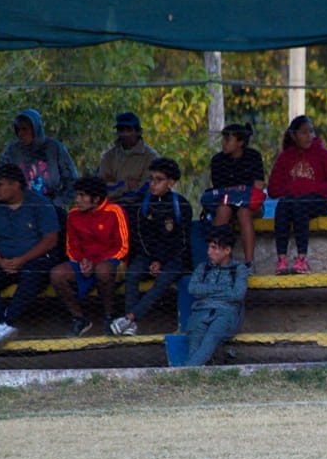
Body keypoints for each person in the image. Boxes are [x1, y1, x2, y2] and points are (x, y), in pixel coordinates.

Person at [110, 157, 193, 336]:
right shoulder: (142, 205)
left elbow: (181, 241)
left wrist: (161, 261)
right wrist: (153, 260)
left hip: (174, 258)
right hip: (148, 255)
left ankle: (129, 318)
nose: (153, 184)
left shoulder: (182, 205)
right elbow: (141, 237)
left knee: (164, 280)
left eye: (159, 180)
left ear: (171, 182)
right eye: (151, 179)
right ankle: (130, 326)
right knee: (133, 273)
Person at [267, 115, 327, 275]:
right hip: (293, 200)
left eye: (311, 132)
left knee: (300, 205)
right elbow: (273, 190)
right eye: (304, 132)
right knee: (283, 205)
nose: (309, 136)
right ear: (293, 135)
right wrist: (293, 189)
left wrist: (312, 188)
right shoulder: (285, 157)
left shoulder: (323, 155)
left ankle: (302, 259)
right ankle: (282, 259)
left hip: (319, 200)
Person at [49, 175, 130, 336]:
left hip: (111, 260)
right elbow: (71, 246)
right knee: (57, 274)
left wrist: (96, 262)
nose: (77, 200)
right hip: (84, 262)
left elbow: (123, 247)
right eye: (77, 195)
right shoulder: (73, 214)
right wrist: (82, 262)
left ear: (96, 199)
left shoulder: (115, 211)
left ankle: (109, 316)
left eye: (82, 196)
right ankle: (79, 318)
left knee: (103, 270)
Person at [0, 163, 61, 346]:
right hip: (3, 261)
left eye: (0, 184)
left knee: (32, 274)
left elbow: (50, 240)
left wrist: (22, 260)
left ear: (16, 184)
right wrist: (0, 261)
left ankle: (8, 322)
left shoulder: (40, 203)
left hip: (35, 259)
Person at [184, 224, 249, 366]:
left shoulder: (239, 269)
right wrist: (223, 289)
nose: (208, 252)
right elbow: (193, 289)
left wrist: (207, 292)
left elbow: (238, 294)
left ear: (227, 250)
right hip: (201, 312)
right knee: (194, 343)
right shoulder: (203, 267)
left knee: (210, 339)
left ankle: (185, 372)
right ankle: (191, 372)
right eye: (209, 247)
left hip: (226, 313)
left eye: (214, 248)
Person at [204, 122, 267, 270]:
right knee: (223, 210)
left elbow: (258, 185)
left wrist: (238, 193)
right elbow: (219, 189)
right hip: (226, 202)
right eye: (223, 139)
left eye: (228, 140)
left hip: (249, 202)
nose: (224, 143)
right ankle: (219, 261)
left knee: (244, 213)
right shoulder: (218, 160)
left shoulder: (253, 157)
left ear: (240, 142)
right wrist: (239, 191)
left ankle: (249, 263)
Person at [0, 107, 78, 211]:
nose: (21, 133)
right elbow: (1, 178)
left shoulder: (54, 148)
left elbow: (72, 180)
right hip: (21, 209)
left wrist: (58, 203)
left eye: (25, 129)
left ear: (35, 129)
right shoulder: (12, 151)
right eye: (18, 129)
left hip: (52, 206)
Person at [98, 111, 159, 203]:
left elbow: (147, 189)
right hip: (111, 207)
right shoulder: (108, 157)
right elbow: (101, 189)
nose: (125, 134)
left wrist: (115, 187)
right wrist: (125, 185)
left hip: (139, 207)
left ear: (138, 132)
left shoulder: (150, 157)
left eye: (129, 130)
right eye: (121, 130)